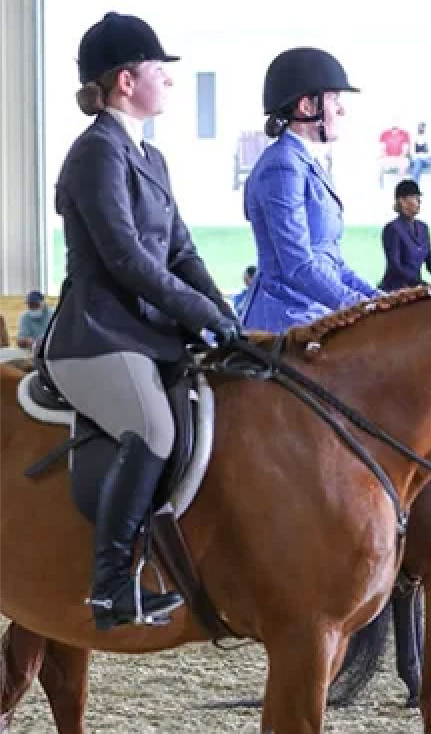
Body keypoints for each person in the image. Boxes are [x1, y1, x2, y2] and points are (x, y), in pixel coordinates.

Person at [44, 12, 240, 631]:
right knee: (153, 426)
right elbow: (126, 258)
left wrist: (225, 313)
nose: (170, 82)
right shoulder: (96, 153)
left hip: (144, 332)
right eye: (161, 71)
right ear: (127, 81)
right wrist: (201, 316)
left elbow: (181, 251)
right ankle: (109, 586)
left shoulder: (150, 156)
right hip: (94, 337)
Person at [242, 47, 377, 334]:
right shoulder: (282, 166)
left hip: (315, 311)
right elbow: (298, 265)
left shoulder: (308, 163)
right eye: (334, 99)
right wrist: (362, 309)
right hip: (286, 322)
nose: (342, 109)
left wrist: (381, 301)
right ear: (306, 107)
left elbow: (334, 263)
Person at [380, 179, 431, 291]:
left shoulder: (423, 227)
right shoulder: (392, 229)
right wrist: (422, 284)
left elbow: (430, 261)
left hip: (416, 289)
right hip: (395, 291)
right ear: (402, 201)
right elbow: (395, 266)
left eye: (419, 197)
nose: (419, 201)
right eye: (414, 196)